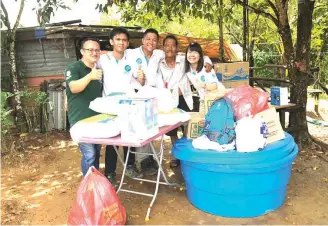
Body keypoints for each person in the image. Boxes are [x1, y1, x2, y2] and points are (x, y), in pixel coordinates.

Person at [156, 35, 214, 167]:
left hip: (185, 98)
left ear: (177, 48)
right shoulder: (159, 64)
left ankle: (188, 154)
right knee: (171, 131)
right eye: (167, 45)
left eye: (173, 45)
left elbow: (202, 57)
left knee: (188, 126)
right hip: (168, 101)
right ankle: (176, 155)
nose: (170, 48)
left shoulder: (183, 59)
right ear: (163, 47)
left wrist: (209, 64)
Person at [97, 27, 142, 185]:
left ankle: (130, 165)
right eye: (118, 39)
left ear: (127, 43)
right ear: (111, 42)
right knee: (112, 139)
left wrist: (142, 78)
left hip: (129, 105)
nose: (121, 42)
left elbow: (139, 81)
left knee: (130, 136)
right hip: (110, 105)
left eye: (124, 40)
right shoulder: (102, 60)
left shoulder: (131, 61)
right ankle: (110, 172)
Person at [65, 38, 103, 176]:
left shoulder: (98, 70)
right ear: (82, 51)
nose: (94, 52)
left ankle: (95, 180)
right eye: (90, 50)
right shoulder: (74, 67)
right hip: (80, 120)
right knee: (90, 154)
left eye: (97, 50)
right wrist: (89, 77)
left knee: (97, 152)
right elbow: (73, 87)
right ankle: (88, 183)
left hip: (97, 119)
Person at [185, 42, 225, 107]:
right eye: (189, 52)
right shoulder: (188, 71)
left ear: (200, 55)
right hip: (204, 100)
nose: (192, 55)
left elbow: (214, 86)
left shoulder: (206, 67)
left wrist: (203, 86)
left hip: (217, 98)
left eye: (195, 52)